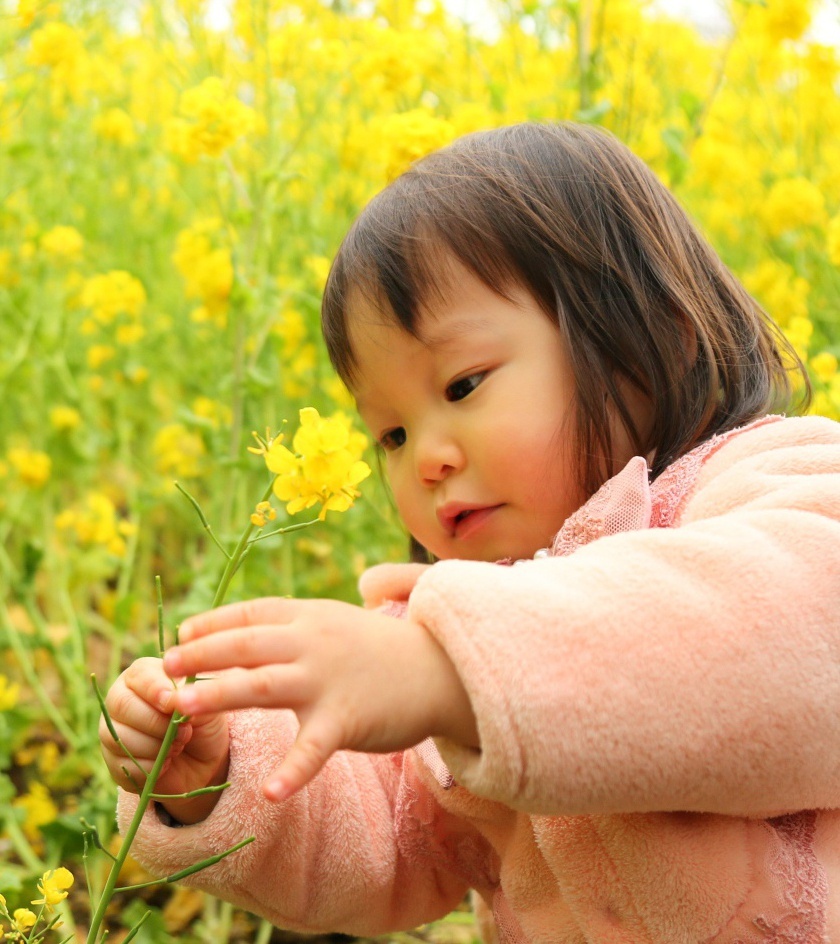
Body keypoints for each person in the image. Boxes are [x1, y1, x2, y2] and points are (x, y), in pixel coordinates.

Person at [100, 122, 840, 943]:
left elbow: (787, 637)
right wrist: (217, 774)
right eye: (390, 435)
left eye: (461, 385)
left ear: (654, 332)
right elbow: (378, 834)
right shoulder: (443, 629)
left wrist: (449, 674)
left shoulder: (773, 483)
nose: (425, 460)